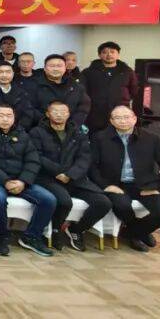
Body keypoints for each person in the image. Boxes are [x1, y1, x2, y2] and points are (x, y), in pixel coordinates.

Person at [90, 105, 160, 252]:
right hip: (115, 185)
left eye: (126, 117)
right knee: (122, 206)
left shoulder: (151, 138)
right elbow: (91, 166)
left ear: (135, 119)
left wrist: (158, 188)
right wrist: (105, 185)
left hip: (145, 185)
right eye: (118, 118)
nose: (123, 121)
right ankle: (138, 235)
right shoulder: (100, 138)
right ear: (111, 121)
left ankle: (132, 233)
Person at [30, 101, 111, 252]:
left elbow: (84, 158)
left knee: (103, 202)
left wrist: (70, 174)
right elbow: (37, 156)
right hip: (48, 178)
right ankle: (55, 231)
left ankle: (77, 229)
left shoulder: (78, 133)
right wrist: (58, 172)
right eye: (55, 111)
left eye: (63, 112)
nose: (59, 115)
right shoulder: (37, 132)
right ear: (47, 114)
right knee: (64, 202)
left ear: (69, 114)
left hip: (75, 178)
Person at [0, 104, 56, 257]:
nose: (5, 119)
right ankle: (1, 237)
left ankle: (31, 237)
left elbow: (33, 161)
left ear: (14, 118)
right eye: (1, 116)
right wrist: (5, 181)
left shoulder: (23, 135)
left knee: (49, 199)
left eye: (9, 116)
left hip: (20, 180)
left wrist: (23, 181)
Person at [82, 41, 140, 133]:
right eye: (105, 52)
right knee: (96, 137)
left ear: (118, 54)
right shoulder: (88, 72)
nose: (109, 55)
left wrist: (123, 99)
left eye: (112, 52)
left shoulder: (127, 71)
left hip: (120, 112)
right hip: (96, 113)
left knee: (119, 136)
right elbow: (83, 91)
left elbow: (134, 90)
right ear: (99, 55)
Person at [33, 54, 91, 130]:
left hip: (71, 130)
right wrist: (49, 124)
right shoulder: (34, 85)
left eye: (59, 66)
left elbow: (83, 107)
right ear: (45, 68)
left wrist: (73, 125)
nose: (56, 69)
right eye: (52, 66)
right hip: (41, 129)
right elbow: (30, 109)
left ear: (65, 68)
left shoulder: (75, 86)